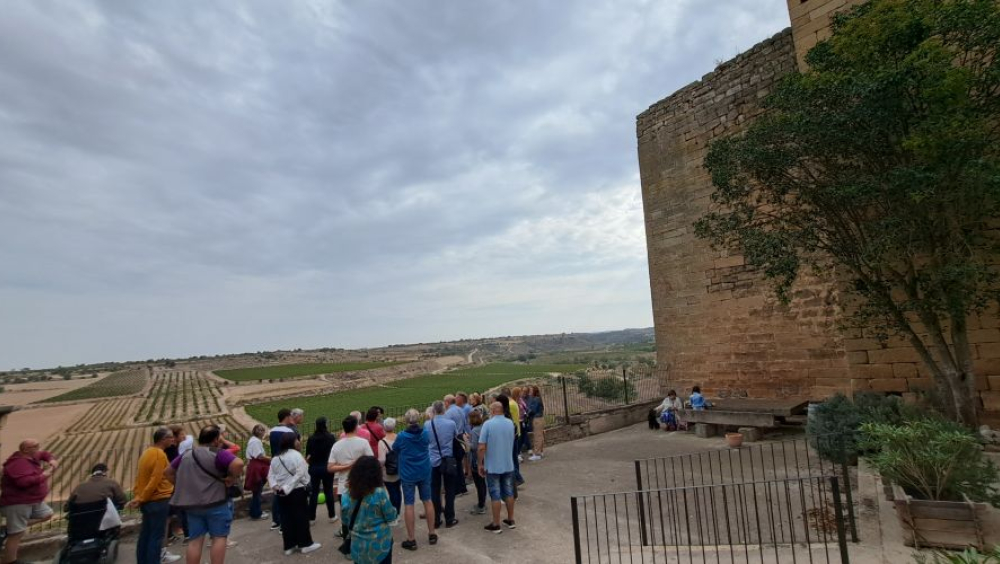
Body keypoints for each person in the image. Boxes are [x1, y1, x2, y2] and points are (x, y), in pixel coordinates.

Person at [166, 425, 244, 564]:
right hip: (216, 503)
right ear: (215, 440)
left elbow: (168, 472)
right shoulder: (217, 452)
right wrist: (231, 478)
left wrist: (182, 484)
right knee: (219, 538)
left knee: (195, 541)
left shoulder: (187, 454)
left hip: (193, 505)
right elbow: (238, 463)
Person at [127, 427, 181, 564]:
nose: (173, 439)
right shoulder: (159, 455)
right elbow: (155, 479)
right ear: (163, 440)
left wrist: (139, 496)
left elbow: (140, 478)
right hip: (158, 500)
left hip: (148, 502)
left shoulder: (146, 453)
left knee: (145, 535)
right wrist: (141, 498)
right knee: (156, 537)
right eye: (170, 437)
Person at [0, 439, 58, 564]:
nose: (38, 448)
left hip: (32, 500)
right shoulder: (18, 464)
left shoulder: (30, 456)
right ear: (25, 449)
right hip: (17, 502)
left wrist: (51, 459)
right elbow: (23, 483)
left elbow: (44, 454)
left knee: (47, 514)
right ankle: (9, 561)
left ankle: (8, 529)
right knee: (16, 535)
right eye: (35, 446)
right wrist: (45, 475)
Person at [268, 433, 321, 555]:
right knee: (301, 517)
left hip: (281, 493)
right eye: (297, 440)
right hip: (297, 491)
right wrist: (288, 487)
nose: (299, 442)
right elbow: (300, 474)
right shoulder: (296, 455)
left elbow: (270, 474)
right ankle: (305, 544)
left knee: (286, 518)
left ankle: (289, 546)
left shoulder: (276, 457)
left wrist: (276, 487)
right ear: (292, 442)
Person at [392, 408, 436, 551]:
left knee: (409, 504)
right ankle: (432, 533)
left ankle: (411, 539)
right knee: (427, 500)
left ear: (406, 421)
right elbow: (428, 443)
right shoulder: (425, 433)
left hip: (408, 473)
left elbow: (395, 449)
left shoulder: (402, 436)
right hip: (424, 470)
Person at [341, 456, 397, 564]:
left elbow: (345, 520)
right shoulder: (379, 493)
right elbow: (391, 517)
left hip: (358, 547)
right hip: (380, 545)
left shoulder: (346, 494)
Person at [327, 415, 373, 536]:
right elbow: (371, 461)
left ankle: (347, 540)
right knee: (363, 513)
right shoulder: (363, 443)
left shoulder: (337, 445)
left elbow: (330, 467)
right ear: (355, 427)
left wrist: (346, 466)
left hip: (344, 486)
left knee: (346, 514)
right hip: (362, 484)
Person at [478, 402, 517, 533]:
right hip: (508, 463)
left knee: (495, 495)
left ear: (493, 410)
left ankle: (496, 523)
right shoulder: (510, 423)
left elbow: (482, 447)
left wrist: (480, 463)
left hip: (493, 465)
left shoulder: (488, 424)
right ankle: (511, 519)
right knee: (509, 492)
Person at [425, 400, 459, 529]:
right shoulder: (451, 424)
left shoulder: (427, 424)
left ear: (433, 410)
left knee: (435, 490)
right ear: (444, 410)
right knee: (450, 490)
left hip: (433, 460)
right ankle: (449, 518)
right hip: (448, 459)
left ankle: (436, 519)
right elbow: (456, 436)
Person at [268, 408, 297, 531]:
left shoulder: (272, 431)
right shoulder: (289, 431)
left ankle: (276, 521)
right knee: (288, 494)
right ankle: (285, 525)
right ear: (286, 417)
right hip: (288, 463)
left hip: (276, 462)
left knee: (277, 493)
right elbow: (296, 446)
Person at [305, 417, 337, 523]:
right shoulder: (331, 437)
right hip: (327, 467)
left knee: (314, 492)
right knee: (328, 491)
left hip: (314, 468)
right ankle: (332, 516)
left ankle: (311, 518)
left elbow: (308, 455)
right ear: (325, 425)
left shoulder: (311, 438)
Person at [442, 394, 469, 496]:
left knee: (453, 465)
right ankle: (462, 487)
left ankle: (457, 489)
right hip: (461, 437)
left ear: (447, 402)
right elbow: (465, 423)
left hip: (453, 439)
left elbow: (447, 428)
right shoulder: (460, 409)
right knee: (459, 463)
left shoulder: (448, 413)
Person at [244, 424, 271, 521]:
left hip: (255, 466)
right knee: (257, 491)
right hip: (257, 467)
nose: (262, 432)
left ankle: (255, 511)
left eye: (262, 430)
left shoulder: (254, 440)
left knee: (257, 491)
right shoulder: (255, 442)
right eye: (260, 430)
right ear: (255, 431)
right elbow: (259, 456)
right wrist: (272, 459)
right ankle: (256, 514)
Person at [377, 417, 401, 514]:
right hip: (399, 469)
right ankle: (397, 511)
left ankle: (394, 512)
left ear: (384, 427)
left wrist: (379, 467)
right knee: (398, 491)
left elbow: (382, 460)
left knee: (392, 492)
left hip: (387, 472)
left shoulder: (382, 442)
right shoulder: (399, 438)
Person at [467, 411, 487, 515]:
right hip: (484, 457)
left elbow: (474, 447)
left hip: (476, 459)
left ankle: (481, 505)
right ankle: (482, 502)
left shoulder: (474, 431)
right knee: (482, 482)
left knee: (479, 483)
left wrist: (466, 441)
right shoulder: (483, 427)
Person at [527, 385, 546, 461]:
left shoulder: (535, 399)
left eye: (531, 390)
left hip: (537, 419)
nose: (529, 392)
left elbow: (533, 410)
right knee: (540, 436)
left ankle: (537, 454)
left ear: (534, 391)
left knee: (537, 437)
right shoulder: (538, 398)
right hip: (540, 418)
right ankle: (540, 451)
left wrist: (527, 413)